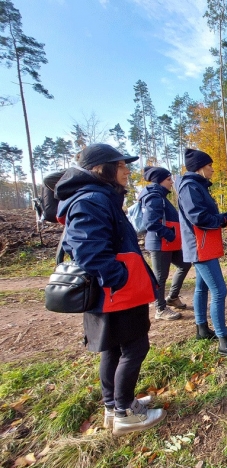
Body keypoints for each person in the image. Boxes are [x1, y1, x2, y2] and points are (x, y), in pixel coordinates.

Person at [54, 143, 166, 436]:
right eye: (120, 165)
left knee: (114, 348)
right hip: (115, 292)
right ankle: (125, 412)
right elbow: (88, 251)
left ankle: (114, 405)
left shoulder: (100, 197)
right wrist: (118, 278)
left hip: (113, 291)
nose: (127, 170)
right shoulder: (91, 200)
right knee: (135, 347)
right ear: (101, 169)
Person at [177, 148, 227, 356]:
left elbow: (205, 213)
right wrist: (221, 219)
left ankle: (201, 329)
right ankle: (223, 341)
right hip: (200, 245)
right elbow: (198, 217)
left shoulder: (196, 186)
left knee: (202, 288)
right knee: (219, 291)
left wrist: (224, 215)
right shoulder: (189, 187)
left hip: (204, 244)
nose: (212, 170)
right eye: (209, 166)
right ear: (200, 168)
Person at [140, 166, 191, 321]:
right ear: (159, 180)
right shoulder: (154, 196)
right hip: (160, 243)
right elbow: (151, 223)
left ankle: (173, 297)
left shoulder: (160, 195)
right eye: (168, 180)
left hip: (170, 243)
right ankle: (160, 309)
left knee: (184, 264)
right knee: (160, 277)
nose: (171, 182)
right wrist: (169, 235)